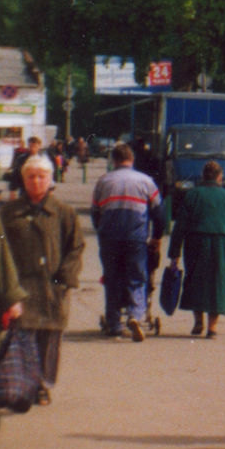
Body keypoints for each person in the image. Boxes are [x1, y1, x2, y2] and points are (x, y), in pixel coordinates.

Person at [0, 155, 84, 403]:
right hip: (20, 287)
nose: (36, 181)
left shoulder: (64, 213)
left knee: (48, 339)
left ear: (50, 180)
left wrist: (63, 281)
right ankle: (24, 383)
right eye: (31, 177)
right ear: (23, 180)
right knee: (21, 337)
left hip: (52, 287)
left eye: (41, 176)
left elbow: (76, 247)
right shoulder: (8, 212)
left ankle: (42, 385)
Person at [91, 142, 167, 341]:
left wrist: (101, 231)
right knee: (136, 277)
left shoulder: (103, 182)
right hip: (136, 238)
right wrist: (157, 237)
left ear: (114, 160)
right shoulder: (146, 182)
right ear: (131, 160)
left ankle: (114, 323)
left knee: (112, 278)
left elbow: (95, 213)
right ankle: (135, 316)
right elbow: (159, 214)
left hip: (110, 238)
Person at [168, 160, 225, 338]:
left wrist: (174, 253)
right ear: (219, 177)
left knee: (195, 279)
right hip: (221, 242)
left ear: (203, 176)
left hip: (196, 241)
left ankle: (198, 321)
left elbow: (180, 226)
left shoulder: (192, 195)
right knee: (218, 283)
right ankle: (213, 327)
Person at [7, 137, 42, 201]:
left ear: (39, 146)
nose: (32, 148)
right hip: (25, 189)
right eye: (30, 146)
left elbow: (49, 176)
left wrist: (50, 189)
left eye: (34, 146)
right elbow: (15, 174)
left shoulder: (44, 159)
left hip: (40, 190)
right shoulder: (21, 159)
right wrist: (12, 190)